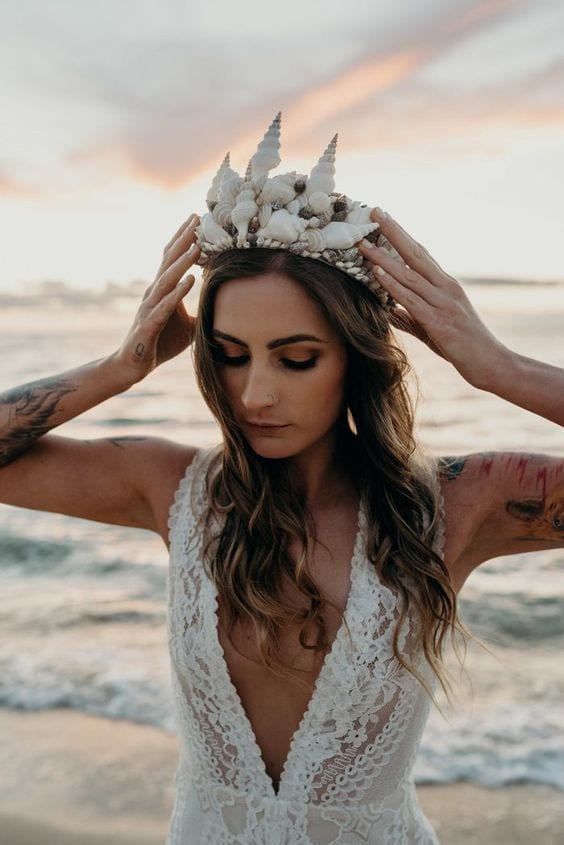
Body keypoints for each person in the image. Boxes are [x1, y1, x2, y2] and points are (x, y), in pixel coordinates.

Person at [1, 114, 562, 845]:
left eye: (295, 358)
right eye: (232, 354)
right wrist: (119, 367)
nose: (254, 394)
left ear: (354, 358)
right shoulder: (172, 488)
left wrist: (499, 367)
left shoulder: (457, 504)